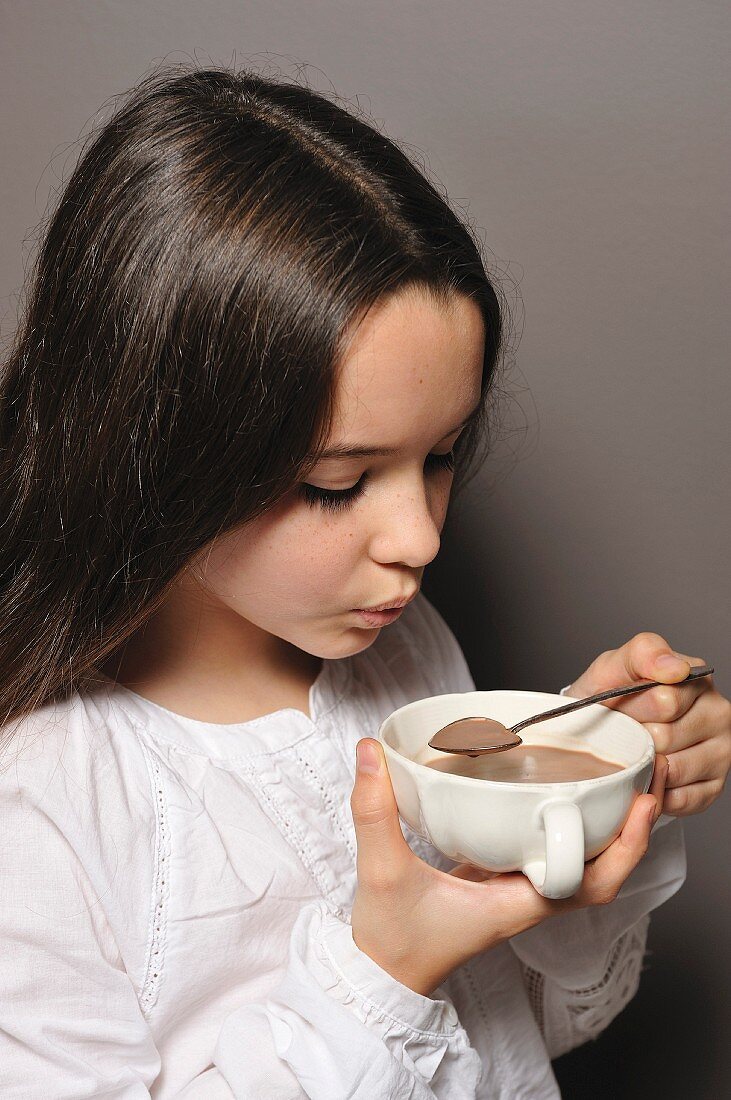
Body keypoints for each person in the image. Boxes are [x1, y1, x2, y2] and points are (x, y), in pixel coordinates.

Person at [0, 64, 728, 1100]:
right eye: (335, 483)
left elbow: (519, 1035)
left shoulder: (402, 646)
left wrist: (585, 787)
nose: (419, 538)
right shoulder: (44, 807)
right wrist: (380, 969)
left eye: (438, 456)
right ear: (158, 450)